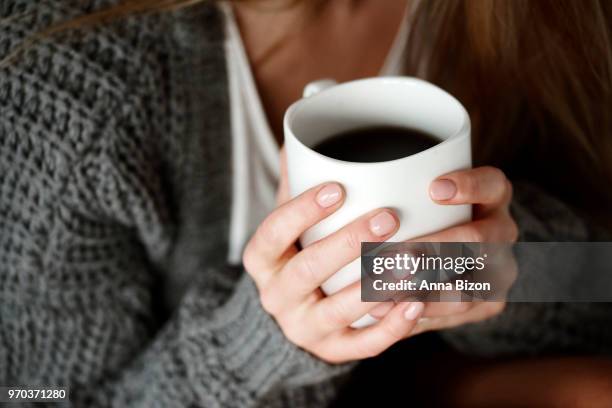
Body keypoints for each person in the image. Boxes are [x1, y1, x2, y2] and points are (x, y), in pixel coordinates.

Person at [0, 0, 610, 406]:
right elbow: (39, 397)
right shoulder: (70, 81)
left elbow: (600, 285)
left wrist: (504, 266)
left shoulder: (525, 18)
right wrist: (262, 342)